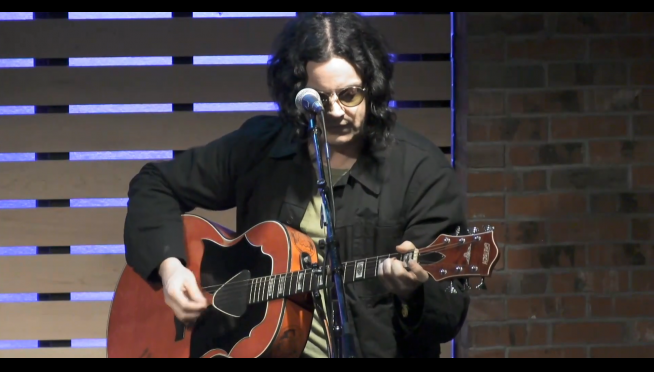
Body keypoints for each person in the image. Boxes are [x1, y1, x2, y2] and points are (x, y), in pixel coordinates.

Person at [123, 12, 470, 358]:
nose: (335, 111)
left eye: (349, 95)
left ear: (372, 87)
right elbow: (154, 185)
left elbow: (448, 315)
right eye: (319, 99)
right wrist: (170, 270)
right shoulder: (260, 147)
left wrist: (415, 293)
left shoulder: (422, 171)